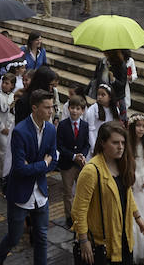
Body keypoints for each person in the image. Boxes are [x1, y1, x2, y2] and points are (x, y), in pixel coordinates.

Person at [0, 89, 58, 265]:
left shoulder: (51, 130)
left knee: (42, 237)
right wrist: (43, 165)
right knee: (14, 238)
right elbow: (20, 168)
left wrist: (37, 166)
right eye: (47, 108)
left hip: (41, 193)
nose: (51, 111)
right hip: (20, 193)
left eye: (52, 107)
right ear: (35, 108)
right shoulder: (20, 131)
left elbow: (54, 161)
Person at [72, 120, 144, 265]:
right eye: (115, 143)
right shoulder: (91, 171)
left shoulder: (121, 163)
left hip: (123, 237)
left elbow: (126, 194)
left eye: (123, 143)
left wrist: (138, 217)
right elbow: (79, 210)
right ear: (102, 143)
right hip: (103, 244)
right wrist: (83, 240)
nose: (120, 147)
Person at [57, 95, 91, 226]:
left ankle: (82, 214)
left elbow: (87, 144)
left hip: (80, 164)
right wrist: (73, 156)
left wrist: (82, 155)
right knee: (68, 192)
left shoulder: (85, 125)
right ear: (68, 108)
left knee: (82, 190)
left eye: (78, 108)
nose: (74, 111)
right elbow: (59, 146)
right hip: (67, 164)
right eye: (72, 108)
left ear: (82, 111)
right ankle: (70, 216)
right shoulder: (62, 125)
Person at [128, 114, 144, 264]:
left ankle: (141, 248)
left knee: (142, 214)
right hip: (131, 184)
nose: (141, 129)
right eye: (138, 126)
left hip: (140, 188)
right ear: (132, 127)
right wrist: (134, 181)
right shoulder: (128, 145)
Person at [0, 72, 18, 181]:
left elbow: (12, 114)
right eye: (3, 82)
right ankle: (5, 175)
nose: (4, 85)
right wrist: (2, 127)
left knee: (1, 150)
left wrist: (9, 128)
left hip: (9, 129)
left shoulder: (13, 97)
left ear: (12, 85)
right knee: (5, 151)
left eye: (7, 83)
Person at [83, 84, 121, 156]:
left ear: (110, 97)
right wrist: (94, 148)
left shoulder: (115, 110)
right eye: (98, 94)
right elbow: (90, 130)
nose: (99, 97)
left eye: (103, 95)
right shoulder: (93, 110)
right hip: (95, 141)